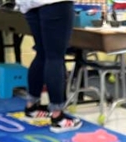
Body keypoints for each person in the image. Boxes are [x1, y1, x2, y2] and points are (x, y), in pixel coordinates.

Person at [16, 0, 82, 133]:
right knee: (55, 57)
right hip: (56, 3)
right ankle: (58, 118)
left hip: (30, 5)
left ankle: (31, 107)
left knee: (42, 54)